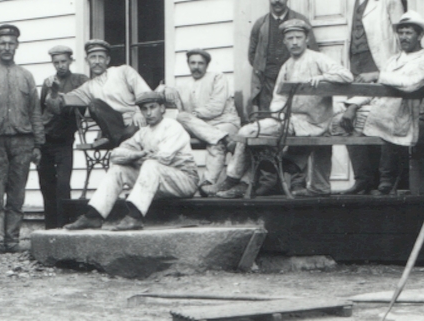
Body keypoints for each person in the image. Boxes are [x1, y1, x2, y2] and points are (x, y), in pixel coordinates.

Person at [217, 19, 354, 198]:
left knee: (247, 131)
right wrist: (279, 115)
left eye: (298, 37)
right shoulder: (287, 66)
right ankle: (236, 180)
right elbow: (278, 98)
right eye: (290, 38)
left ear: (306, 39)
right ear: (284, 41)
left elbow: (347, 75)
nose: (294, 42)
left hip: (316, 122)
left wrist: (323, 78)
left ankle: (235, 179)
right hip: (291, 122)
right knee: (247, 131)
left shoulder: (318, 59)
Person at [329, 11, 424, 195]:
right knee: (340, 122)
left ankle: (387, 180)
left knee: (381, 120)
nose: (403, 37)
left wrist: (378, 75)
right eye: (401, 32)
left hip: (403, 111)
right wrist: (353, 106)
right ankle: (363, 179)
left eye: (408, 33)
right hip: (379, 108)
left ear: (419, 36)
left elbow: (409, 84)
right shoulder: (392, 60)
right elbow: (375, 88)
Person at [63, 91, 199, 232]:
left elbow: (163, 158)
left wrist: (134, 157)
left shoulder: (172, 126)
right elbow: (115, 155)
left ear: (162, 108)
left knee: (151, 164)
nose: (149, 113)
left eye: (152, 107)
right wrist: (138, 154)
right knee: (118, 169)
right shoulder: (143, 132)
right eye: (144, 109)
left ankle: (135, 217)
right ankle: (94, 216)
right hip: (158, 181)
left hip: (184, 180)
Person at [341, 0, 406, 193]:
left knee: (384, 116)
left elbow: (401, 36)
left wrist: (391, 68)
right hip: (356, 66)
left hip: (381, 65)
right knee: (349, 119)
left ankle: (386, 179)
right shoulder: (351, 1)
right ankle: (363, 178)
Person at [0, 24, 44, 254]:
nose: (7, 47)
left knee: (17, 194)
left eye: (11, 43)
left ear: (17, 46)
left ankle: (12, 240)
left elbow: (35, 111)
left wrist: (38, 143)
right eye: (2, 43)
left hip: (23, 142)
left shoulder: (26, 76)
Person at [48, 39, 150, 148]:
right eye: (93, 57)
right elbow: (65, 100)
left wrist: (139, 112)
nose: (97, 61)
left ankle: (115, 140)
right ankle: (120, 141)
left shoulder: (123, 71)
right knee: (95, 104)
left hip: (134, 122)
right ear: (87, 61)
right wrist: (54, 92)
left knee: (131, 133)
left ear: (107, 60)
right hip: (115, 127)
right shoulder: (88, 87)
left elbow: (145, 94)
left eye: (101, 57)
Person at [165, 49, 241, 195]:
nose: (196, 67)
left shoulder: (217, 77)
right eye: (193, 63)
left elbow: (216, 107)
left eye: (201, 63)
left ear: (207, 65)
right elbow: (180, 113)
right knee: (182, 117)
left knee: (214, 141)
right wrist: (164, 88)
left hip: (225, 122)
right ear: (188, 64)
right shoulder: (182, 87)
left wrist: (194, 115)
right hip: (204, 129)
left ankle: (207, 183)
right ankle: (223, 139)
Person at [38, 44, 89, 229]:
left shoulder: (80, 80)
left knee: (63, 184)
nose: (60, 66)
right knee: (46, 184)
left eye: (63, 61)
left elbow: (83, 104)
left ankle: (63, 225)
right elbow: (40, 110)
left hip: (64, 140)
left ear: (70, 61)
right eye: (56, 62)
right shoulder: (48, 82)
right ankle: (50, 227)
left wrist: (60, 96)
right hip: (45, 139)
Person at [247, 0, 317, 113]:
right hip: (268, 82)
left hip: (293, 79)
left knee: (292, 115)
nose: (277, 0)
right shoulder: (260, 24)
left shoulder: (301, 21)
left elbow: (313, 51)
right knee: (268, 117)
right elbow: (252, 55)